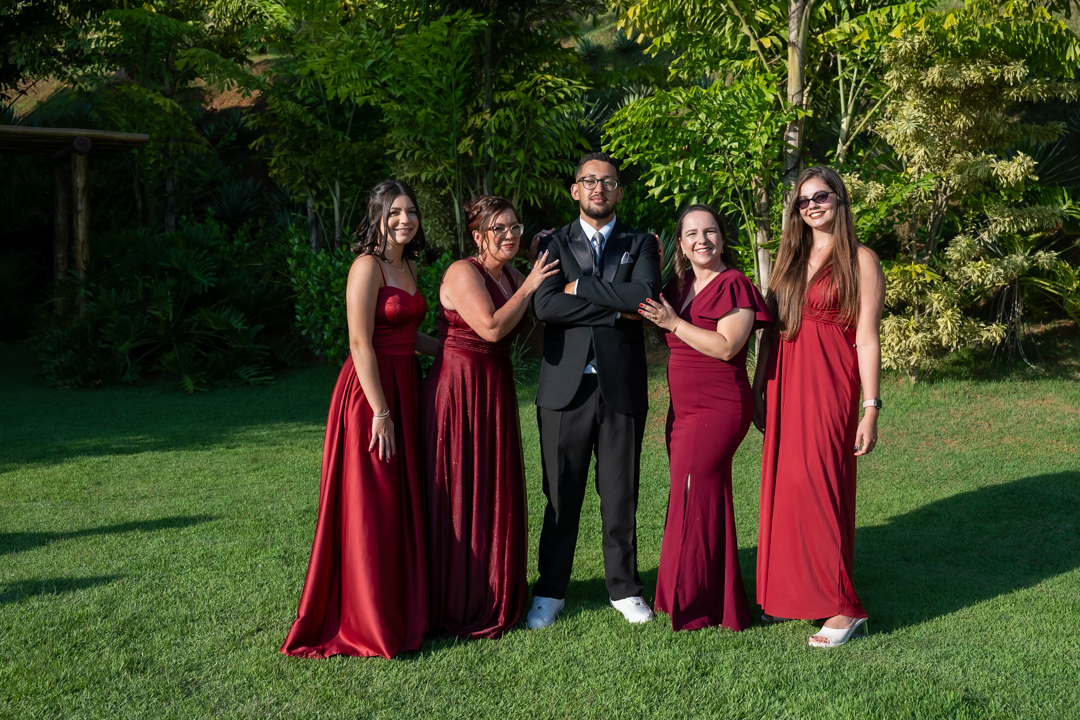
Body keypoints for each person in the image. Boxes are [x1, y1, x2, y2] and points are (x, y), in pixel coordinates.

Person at [282, 180, 438, 659]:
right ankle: (367, 621)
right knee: (374, 502)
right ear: (377, 217)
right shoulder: (366, 267)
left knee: (401, 500)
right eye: (394, 213)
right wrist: (381, 412)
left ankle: (402, 609)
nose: (405, 220)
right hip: (371, 395)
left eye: (410, 211)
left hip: (405, 385)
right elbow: (359, 341)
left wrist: (464, 349)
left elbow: (411, 336)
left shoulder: (408, 266)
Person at [527, 151, 661, 629]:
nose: (598, 188)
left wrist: (578, 287)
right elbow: (544, 307)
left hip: (621, 384)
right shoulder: (552, 243)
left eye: (607, 182)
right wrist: (615, 308)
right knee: (560, 492)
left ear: (619, 191)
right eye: (589, 181)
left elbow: (644, 297)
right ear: (575, 190)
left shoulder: (640, 243)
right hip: (564, 387)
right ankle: (550, 590)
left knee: (620, 491)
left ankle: (624, 588)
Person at [752, 166, 885, 648]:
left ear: (840, 200)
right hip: (784, 380)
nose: (812, 206)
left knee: (821, 486)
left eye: (821, 197)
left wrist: (871, 407)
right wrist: (758, 388)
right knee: (787, 488)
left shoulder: (861, 259)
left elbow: (867, 339)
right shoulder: (789, 259)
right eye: (803, 201)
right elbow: (771, 333)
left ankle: (844, 607)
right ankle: (792, 594)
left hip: (830, 384)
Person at [422, 196, 560, 638]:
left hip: (495, 389)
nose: (509, 235)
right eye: (498, 228)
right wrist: (531, 282)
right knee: (463, 488)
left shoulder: (514, 275)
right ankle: (457, 598)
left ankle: (495, 591)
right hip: (459, 389)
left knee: (492, 485)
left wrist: (544, 264)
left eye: (515, 227)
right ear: (478, 236)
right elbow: (492, 327)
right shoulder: (463, 272)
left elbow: (540, 322)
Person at [638, 204, 772, 632]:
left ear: (722, 238)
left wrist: (675, 323)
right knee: (693, 491)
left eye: (710, 231)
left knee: (696, 490)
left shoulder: (735, 284)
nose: (702, 240)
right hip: (683, 409)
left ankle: (697, 601)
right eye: (692, 233)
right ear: (680, 243)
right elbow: (633, 303)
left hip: (720, 405)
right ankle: (697, 594)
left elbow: (727, 346)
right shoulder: (677, 286)